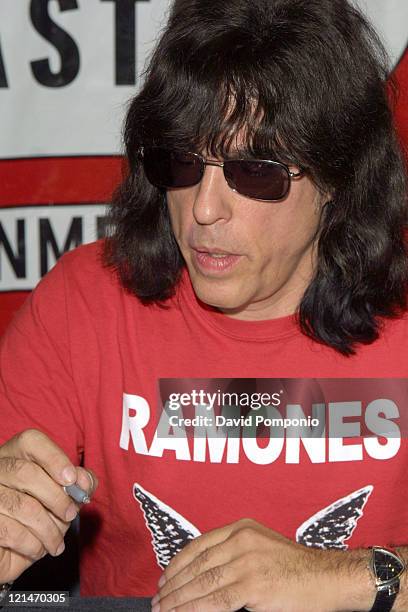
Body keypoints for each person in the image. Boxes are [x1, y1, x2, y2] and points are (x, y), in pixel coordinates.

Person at [1, 0, 408, 609]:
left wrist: (337, 576)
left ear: (339, 179)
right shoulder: (86, 298)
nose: (204, 210)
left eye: (255, 172)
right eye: (182, 163)